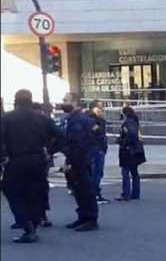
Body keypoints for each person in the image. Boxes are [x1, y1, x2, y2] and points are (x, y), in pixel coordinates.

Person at [1, 90, 63, 243]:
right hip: (38, 159)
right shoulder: (42, 118)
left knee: (13, 191)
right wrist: (50, 150)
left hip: (15, 160)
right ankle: (35, 221)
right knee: (35, 192)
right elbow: (61, 136)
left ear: (16, 100)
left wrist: (3, 157)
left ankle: (26, 223)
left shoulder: (6, 118)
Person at [62, 94, 101, 231]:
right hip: (76, 159)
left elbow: (78, 143)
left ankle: (91, 219)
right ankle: (83, 216)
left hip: (80, 160)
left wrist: (70, 161)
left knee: (85, 189)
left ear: (75, 103)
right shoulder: (72, 119)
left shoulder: (79, 120)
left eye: (66, 100)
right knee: (78, 190)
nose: (63, 103)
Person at [116, 107, 145, 201]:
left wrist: (121, 141)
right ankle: (135, 193)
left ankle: (126, 193)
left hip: (128, 151)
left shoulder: (128, 123)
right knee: (134, 172)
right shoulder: (134, 122)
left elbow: (131, 136)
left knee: (125, 172)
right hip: (136, 150)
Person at [88, 101, 111, 205]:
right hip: (96, 149)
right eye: (100, 108)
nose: (103, 110)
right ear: (95, 109)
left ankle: (94, 194)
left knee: (96, 173)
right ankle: (95, 194)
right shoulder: (93, 120)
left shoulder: (98, 120)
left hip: (97, 149)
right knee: (96, 173)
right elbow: (98, 134)